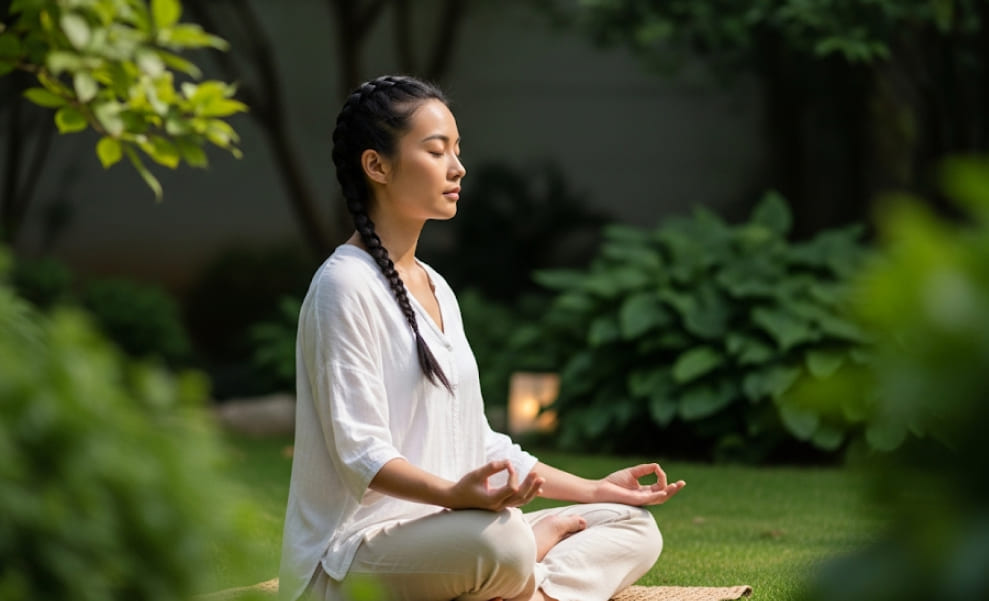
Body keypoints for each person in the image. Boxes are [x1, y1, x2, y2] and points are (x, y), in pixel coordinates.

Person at [279, 74, 686, 601]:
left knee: (629, 525)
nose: (458, 167)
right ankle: (530, 569)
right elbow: (363, 456)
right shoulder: (343, 286)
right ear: (377, 166)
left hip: (451, 537)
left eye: (457, 149)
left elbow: (479, 442)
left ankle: (525, 584)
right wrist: (456, 496)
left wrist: (593, 488)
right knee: (507, 540)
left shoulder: (437, 288)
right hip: (346, 565)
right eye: (436, 150)